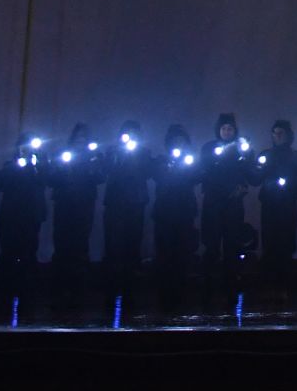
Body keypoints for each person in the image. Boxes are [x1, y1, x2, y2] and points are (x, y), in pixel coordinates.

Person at [47, 123, 105, 298]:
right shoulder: (64, 155)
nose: (81, 140)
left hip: (84, 205)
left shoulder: (93, 157)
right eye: (78, 137)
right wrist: (61, 168)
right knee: (62, 242)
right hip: (65, 205)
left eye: (84, 137)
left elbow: (100, 178)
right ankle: (60, 283)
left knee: (80, 243)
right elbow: (52, 179)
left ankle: (77, 285)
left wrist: (94, 165)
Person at [198, 113, 252, 300]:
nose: (227, 132)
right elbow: (204, 169)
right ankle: (208, 281)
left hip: (233, 203)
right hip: (213, 202)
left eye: (230, 129)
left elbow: (250, 172)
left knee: (232, 243)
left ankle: (231, 280)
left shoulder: (241, 150)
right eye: (223, 128)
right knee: (212, 243)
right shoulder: (210, 148)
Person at [103, 120, 158, 297]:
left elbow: (149, 173)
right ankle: (112, 277)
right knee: (113, 240)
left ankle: (131, 276)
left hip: (136, 201)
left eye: (135, 133)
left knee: (133, 238)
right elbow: (107, 170)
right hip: (116, 201)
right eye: (128, 133)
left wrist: (137, 156)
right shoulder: (113, 151)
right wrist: (118, 155)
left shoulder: (143, 153)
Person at [152, 126, 199, 311]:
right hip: (164, 212)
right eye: (175, 140)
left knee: (182, 252)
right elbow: (157, 177)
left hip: (184, 211)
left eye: (182, 140)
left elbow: (196, 177)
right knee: (164, 252)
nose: (178, 144)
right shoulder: (162, 160)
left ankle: (180, 290)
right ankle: (164, 291)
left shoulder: (190, 161)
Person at [0, 133, 47, 294]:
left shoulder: (39, 166)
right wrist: (15, 166)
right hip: (11, 215)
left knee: (29, 250)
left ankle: (27, 288)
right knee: (8, 250)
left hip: (31, 215)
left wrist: (39, 163)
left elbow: (46, 180)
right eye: (22, 147)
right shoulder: (10, 165)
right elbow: (0, 184)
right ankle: (6, 286)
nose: (24, 150)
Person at [255, 119, 297, 292]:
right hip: (270, 204)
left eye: (280, 133)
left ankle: (283, 285)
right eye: (274, 133)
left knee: (286, 242)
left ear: (288, 135)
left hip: (287, 204)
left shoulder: (295, 156)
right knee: (269, 242)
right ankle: (269, 285)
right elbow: (256, 178)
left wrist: (288, 183)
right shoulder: (266, 154)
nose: (277, 137)